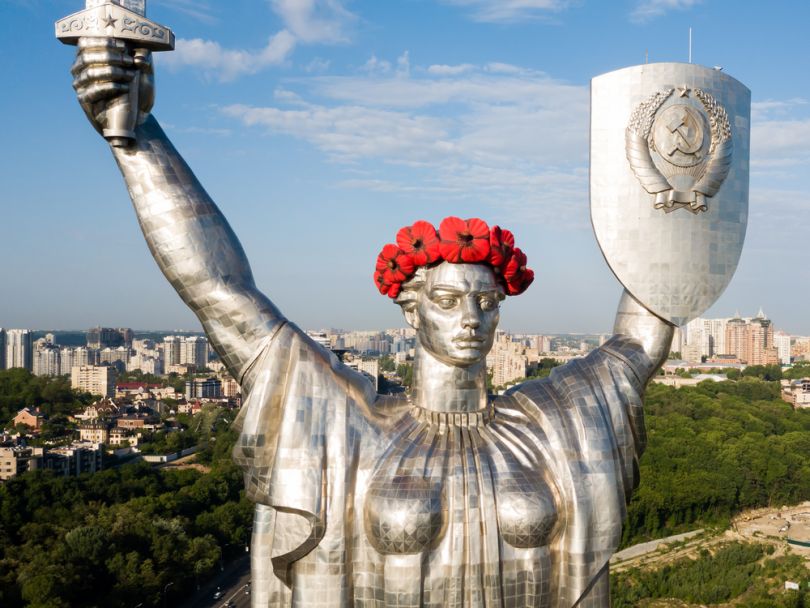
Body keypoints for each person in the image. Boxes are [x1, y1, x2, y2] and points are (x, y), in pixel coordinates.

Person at [70, 39, 674, 608]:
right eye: (446, 300)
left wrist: (670, 201)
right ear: (410, 310)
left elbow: (640, 341)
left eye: (487, 303)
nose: (470, 318)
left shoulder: (552, 422)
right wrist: (138, 140)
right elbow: (219, 291)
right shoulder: (349, 426)